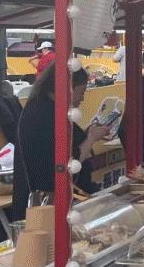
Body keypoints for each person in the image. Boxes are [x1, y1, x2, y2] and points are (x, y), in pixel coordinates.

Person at [14, 64, 106, 220]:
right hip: (48, 206)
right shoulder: (44, 114)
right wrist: (91, 138)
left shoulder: (45, 107)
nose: (82, 98)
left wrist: (87, 134)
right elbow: (70, 161)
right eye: (81, 92)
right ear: (68, 88)